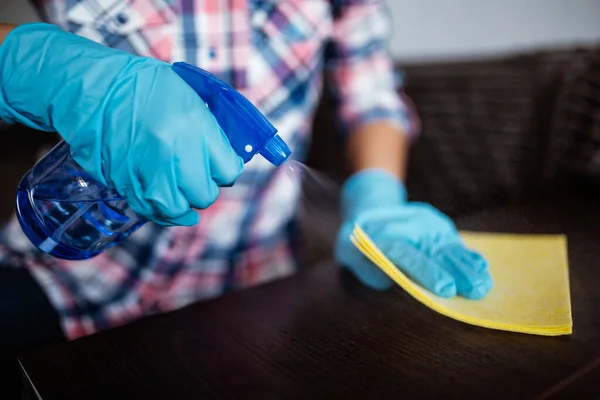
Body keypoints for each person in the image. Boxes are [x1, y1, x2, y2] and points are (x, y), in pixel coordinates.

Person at [0, 0, 492, 394]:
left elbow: (372, 93)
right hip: (68, 271)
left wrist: (378, 197)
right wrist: (41, 69)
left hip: (258, 294)